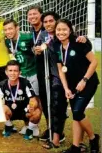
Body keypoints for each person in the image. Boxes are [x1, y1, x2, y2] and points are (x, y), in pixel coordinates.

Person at [54, 19, 100, 153]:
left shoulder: (79, 43)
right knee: (76, 115)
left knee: (78, 112)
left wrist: (84, 80)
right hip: (72, 86)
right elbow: (60, 69)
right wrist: (66, 88)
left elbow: (94, 62)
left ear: (70, 30)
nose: (61, 32)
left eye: (64, 29)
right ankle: (75, 147)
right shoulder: (57, 46)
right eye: (58, 30)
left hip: (88, 83)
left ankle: (93, 138)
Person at [33, 12, 68, 148]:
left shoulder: (63, 35)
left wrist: (83, 38)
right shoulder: (43, 35)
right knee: (48, 105)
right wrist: (37, 50)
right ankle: (52, 131)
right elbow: (37, 48)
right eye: (45, 22)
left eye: (50, 21)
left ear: (57, 21)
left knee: (58, 106)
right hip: (47, 76)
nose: (48, 24)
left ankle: (57, 137)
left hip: (62, 77)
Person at [0, 60, 41, 140]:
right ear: (6, 72)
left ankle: (29, 130)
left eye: (15, 71)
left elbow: (33, 99)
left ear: (19, 72)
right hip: (10, 111)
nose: (13, 73)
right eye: (10, 70)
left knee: (37, 112)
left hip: (24, 111)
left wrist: (31, 106)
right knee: (0, 108)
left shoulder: (25, 83)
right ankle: (8, 126)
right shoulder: (2, 85)